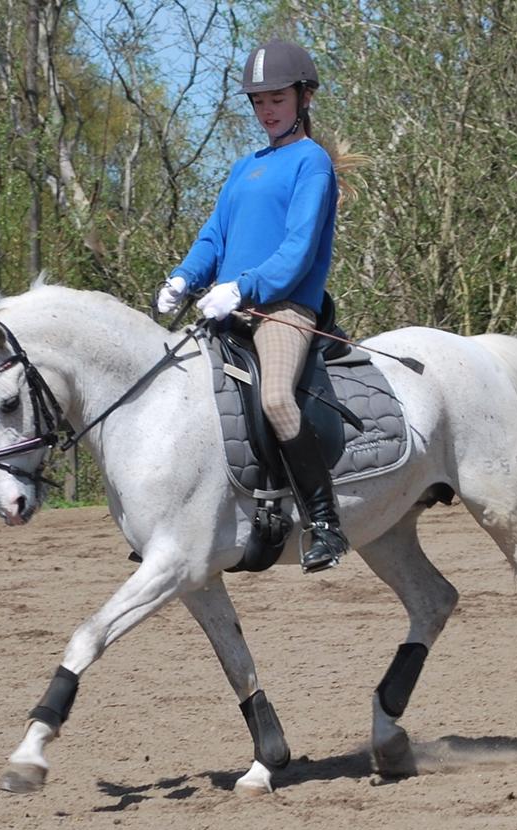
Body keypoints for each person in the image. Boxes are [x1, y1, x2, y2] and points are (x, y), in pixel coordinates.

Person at [156, 39, 347, 573]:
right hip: (227, 307)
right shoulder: (244, 168)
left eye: (277, 99)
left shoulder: (312, 163)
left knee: (278, 400)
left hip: (283, 308)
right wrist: (184, 276)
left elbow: (298, 247)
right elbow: (214, 236)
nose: (266, 109)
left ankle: (325, 522)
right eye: (259, 101)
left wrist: (243, 287)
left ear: (303, 97)